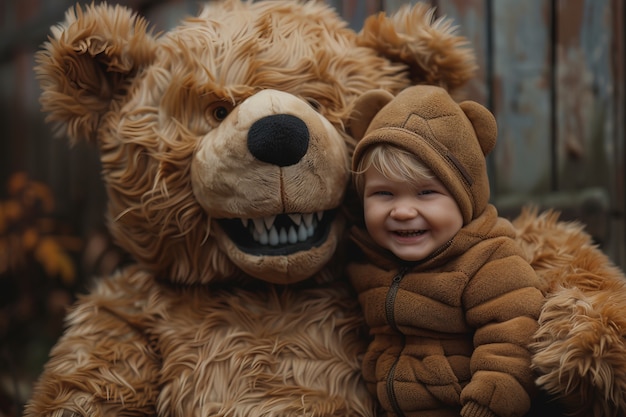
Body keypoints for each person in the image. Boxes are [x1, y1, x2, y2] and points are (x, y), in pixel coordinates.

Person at [346, 85, 545, 417]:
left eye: (425, 192)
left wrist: (488, 402)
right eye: (384, 194)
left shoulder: (488, 260)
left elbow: (513, 340)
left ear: (465, 199)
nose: (403, 211)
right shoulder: (366, 260)